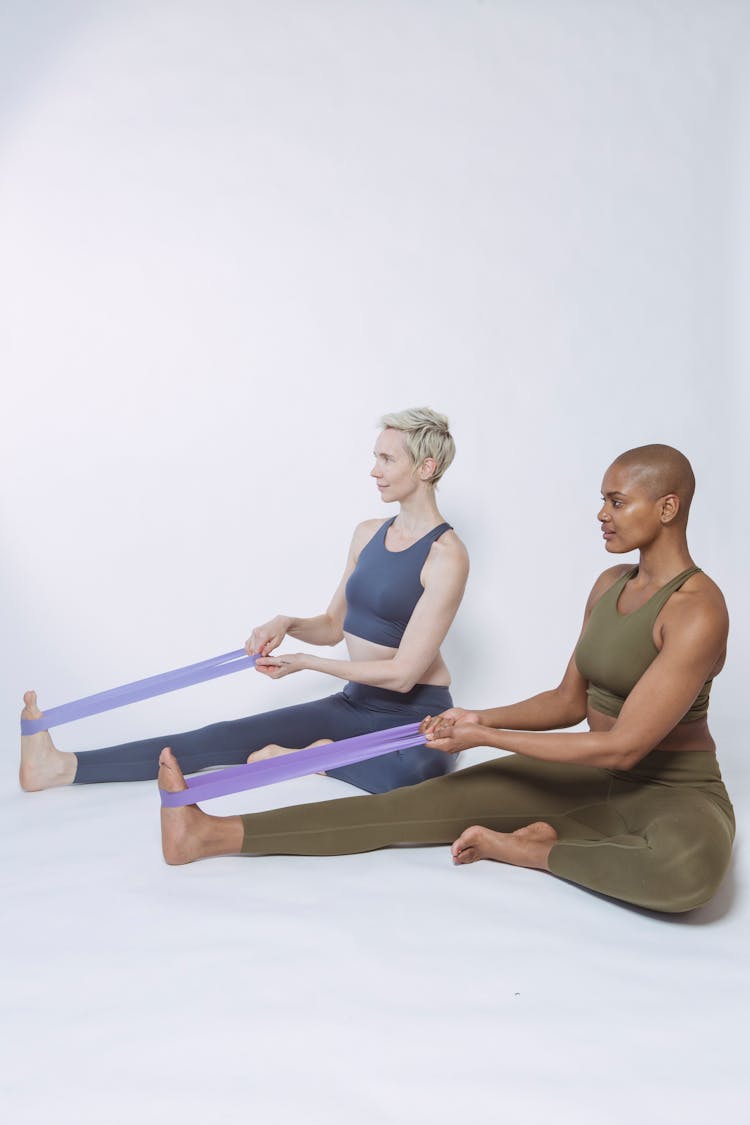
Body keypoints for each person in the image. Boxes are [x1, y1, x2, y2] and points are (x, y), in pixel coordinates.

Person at [154, 443, 734, 914]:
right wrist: (479, 717)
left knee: (685, 874)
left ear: (667, 507)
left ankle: (535, 850)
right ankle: (207, 835)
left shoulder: (697, 609)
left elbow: (628, 746)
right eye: (601, 501)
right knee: (406, 809)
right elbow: (567, 701)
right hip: (579, 772)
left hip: (672, 790)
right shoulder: (610, 584)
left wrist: (486, 738)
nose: (601, 515)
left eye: (616, 502)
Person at [20, 407, 470, 795]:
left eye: (388, 459)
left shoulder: (446, 556)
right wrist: (288, 623)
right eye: (375, 457)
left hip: (414, 713)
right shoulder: (368, 533)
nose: (374, 470)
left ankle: (318, 757)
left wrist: (309, 664)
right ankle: (61, 767)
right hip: (355, 703)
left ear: (426, 468)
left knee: (421, 772)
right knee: (225, 736)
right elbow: (333, 627)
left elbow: (403, 674)